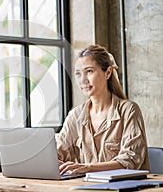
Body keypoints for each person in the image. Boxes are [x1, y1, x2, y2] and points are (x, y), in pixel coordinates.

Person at [56, 44, 149, 175]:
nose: (83, 80)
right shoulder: (75, 115)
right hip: (85, 187)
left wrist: (87, 167)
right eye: (78, 74)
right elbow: (57, 153)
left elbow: (130, 160)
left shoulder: (129, 110)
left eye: (89, 71)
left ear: (108, 72)